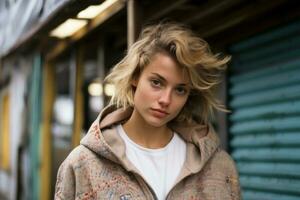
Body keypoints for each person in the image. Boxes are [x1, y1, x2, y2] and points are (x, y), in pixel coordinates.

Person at [55, 22, 241, 200]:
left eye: (180, 90)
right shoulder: (82, 164)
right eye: (157, 83)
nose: (165, 100)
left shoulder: (219, 168)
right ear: (135, 77)